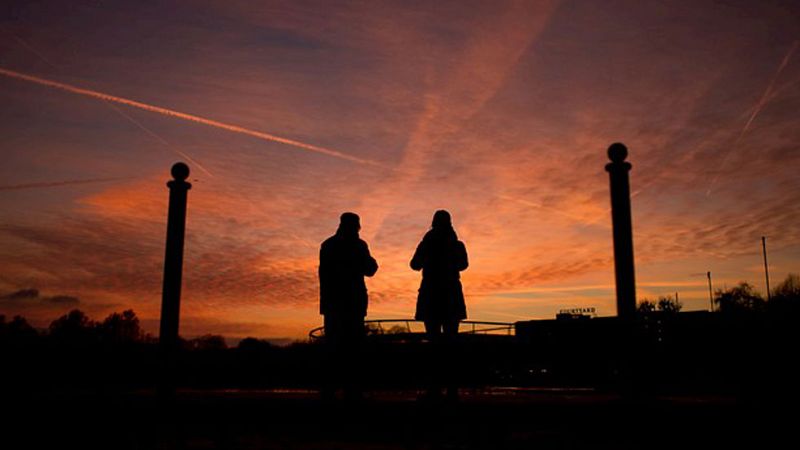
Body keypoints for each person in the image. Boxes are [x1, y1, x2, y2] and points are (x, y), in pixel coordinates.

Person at [318, 212, 378, 401]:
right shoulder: (359, 246)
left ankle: (330, 390)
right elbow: (371, 269)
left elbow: (323, 276)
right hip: (352, 302)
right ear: (356, 226)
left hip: (333, 303)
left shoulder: (328, 245)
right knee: (353, 348)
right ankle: (352, 389)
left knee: (334, 347)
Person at [410, 210, 468, 400]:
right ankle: (451, 388)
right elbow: (463, 265)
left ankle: (434, 386)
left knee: (434, 342)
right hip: (451, 294)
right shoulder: (456, 244)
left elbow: (414, 265)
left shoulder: (426, 243)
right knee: (451, 342)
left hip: (431, 294)